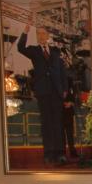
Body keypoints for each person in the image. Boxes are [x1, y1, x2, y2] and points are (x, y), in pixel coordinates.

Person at [17, 21, 69, 165]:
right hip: (43, 92)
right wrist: (25, 32)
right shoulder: (34, 51)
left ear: (47, 36)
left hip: (57, 92)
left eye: (43, 33)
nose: (41, 36)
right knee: (47, 124)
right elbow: (20, 48)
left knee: (58, 123)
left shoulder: (56, 52)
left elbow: (62, 71)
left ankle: (60, 153)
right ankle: (49, 153)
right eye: (38, 33)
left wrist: (65, 89)